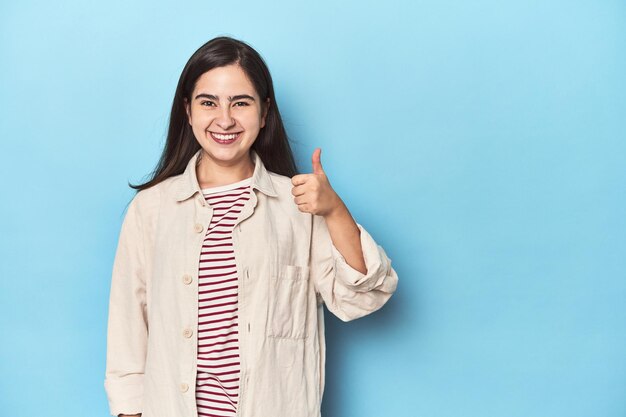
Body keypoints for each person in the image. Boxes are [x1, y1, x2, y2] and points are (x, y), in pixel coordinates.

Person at [104, 36, 399, 417]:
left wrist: (335, 210)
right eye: (208, 102)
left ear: (264, 113)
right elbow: (127, 333)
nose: (224, 119)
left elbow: (363, 297)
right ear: (188, 111)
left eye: (240, 103)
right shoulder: (151, 210)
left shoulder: (299, 205)